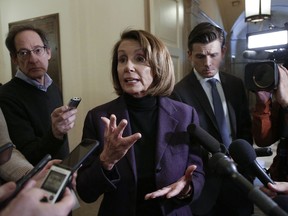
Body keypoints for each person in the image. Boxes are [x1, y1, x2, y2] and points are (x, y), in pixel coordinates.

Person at [76, 29, 205, 216]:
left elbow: (198, 172)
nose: (128, 66)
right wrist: (106, 160)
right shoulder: (98, 117)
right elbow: (85, 192)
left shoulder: (185, 114)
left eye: (139, 59)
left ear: (158, 66)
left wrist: (187, 188)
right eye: (122, 60)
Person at [170, 22, 254, 216]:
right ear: (190, 55)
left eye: (213, 55)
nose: (207, 63)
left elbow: (244, 129)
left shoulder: (235, 85)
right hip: (205, 187)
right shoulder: (177, 94)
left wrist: (246, 167)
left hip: (239, 179)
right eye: (200, 56)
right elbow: (182, 147)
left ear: (223, 52)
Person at [0, 25, 78, 166]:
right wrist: (55, 133)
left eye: (38, 50)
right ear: (14, 59)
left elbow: (61, 142)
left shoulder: (53, 87)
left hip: (62, 173)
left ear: (48, 52)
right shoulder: (6, 96)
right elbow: (27, 156)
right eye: (24, 53)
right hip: (35, 182)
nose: (33, 59)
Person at [252, 63, 288, 181]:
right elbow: (263, 140)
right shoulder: (280, 104)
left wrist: (287, 104)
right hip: (280, 175)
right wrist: (263, 103)